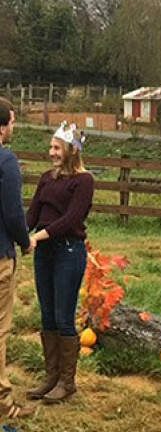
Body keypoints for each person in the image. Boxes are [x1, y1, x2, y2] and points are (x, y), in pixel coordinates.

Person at [26, 121, 94, 404]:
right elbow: (32, 214)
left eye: (56, 148)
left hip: (68, 250)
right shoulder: (46, 178)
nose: (51, 152)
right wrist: (19, 235)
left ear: (70, 151)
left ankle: (67, 382)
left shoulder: (84, 181)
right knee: (48, 316)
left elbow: (71, 219)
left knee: (64, 316)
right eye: (51, 147)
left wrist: (39, 236)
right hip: (45, 252)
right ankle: (51, 376)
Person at [0, 97, 35, 418]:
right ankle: (1, 405)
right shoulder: (6, 162)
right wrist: (25, 241)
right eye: (12, 122)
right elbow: (13, 213)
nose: (14, 127)